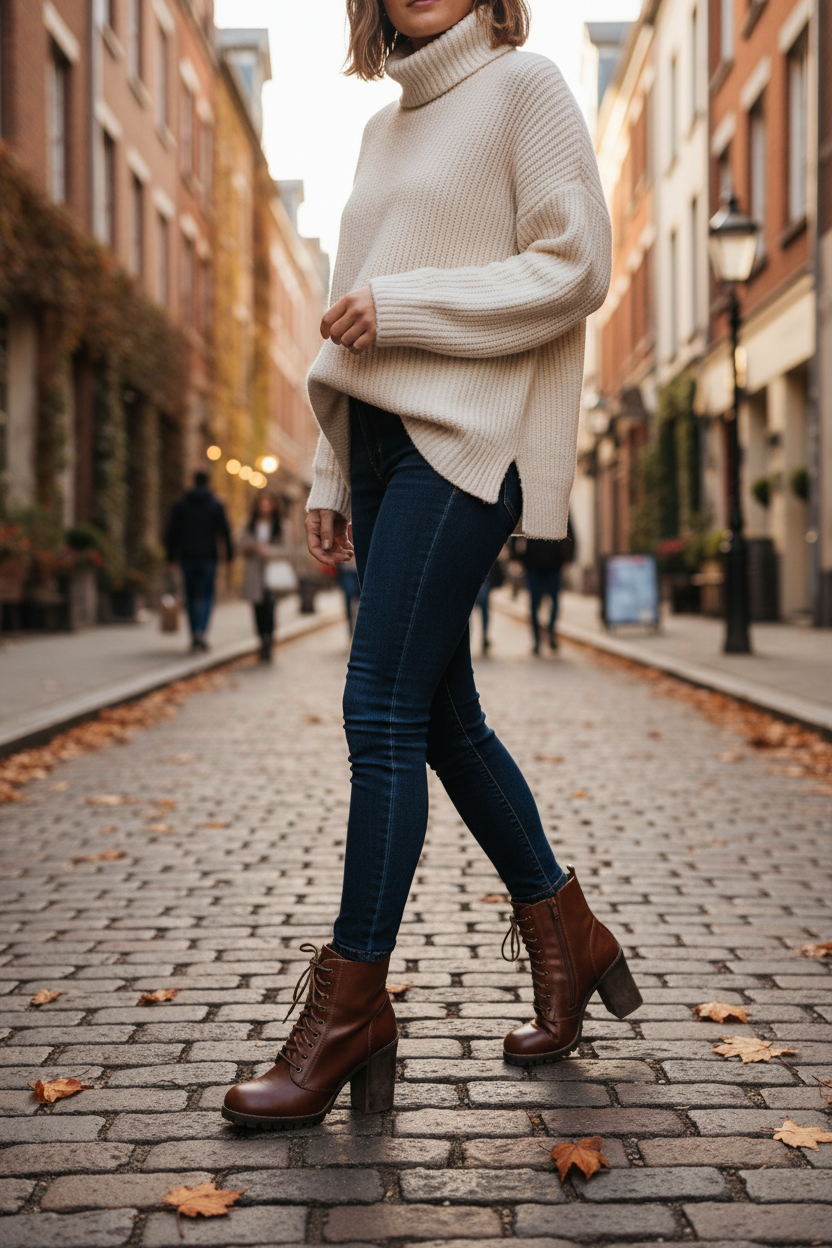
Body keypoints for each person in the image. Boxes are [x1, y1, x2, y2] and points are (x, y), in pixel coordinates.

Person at [223, 0, 640, 1133]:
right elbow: (339, 331)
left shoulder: (527, 86)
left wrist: (405, 307)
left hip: (468, 439)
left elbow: (576, 266)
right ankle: (567, 931)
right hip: (378, 447)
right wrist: (323, 476)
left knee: (380, 707)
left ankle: (350, 1005)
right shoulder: (378, 130)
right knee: (442, 716)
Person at [165, 471, 233, 652]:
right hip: (209, 558)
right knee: (207, 596)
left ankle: (194, 632)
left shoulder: (181, 504)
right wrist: (229, 556)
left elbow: (172, 533)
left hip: (187, 557)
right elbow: (225, 532)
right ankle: (202, 631)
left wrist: (171, 558)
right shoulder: (216, 504)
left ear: (192, 482)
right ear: (208, 482)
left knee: (191, 596)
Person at [516, 518, 575, 654]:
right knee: (534, 604)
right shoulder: (529, 501)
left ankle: (551, 632)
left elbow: (571, 531)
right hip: (533, 565)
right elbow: (516, 532)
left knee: (553, 601)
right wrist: (517, 557)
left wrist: (569, 556)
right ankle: (537, 640)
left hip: (554, 563)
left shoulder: (558, 499)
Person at [239, 495, 287, 662]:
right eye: (262, 504)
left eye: (268, 504)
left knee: (270, 608)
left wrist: (267, 551)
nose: (264, 508)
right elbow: (239, 544)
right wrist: (250, 547)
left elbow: (287, 550)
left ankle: (268, 641)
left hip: (272, 573)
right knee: (257, 608)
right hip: (254, 573)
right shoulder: (249, 524)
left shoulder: (281, 526)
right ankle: (261, 639)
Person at [336, 552, 361, 635]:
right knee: (349, 600)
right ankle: (351, 630)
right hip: (347, 570)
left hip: (360, 569)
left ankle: (360, 629)